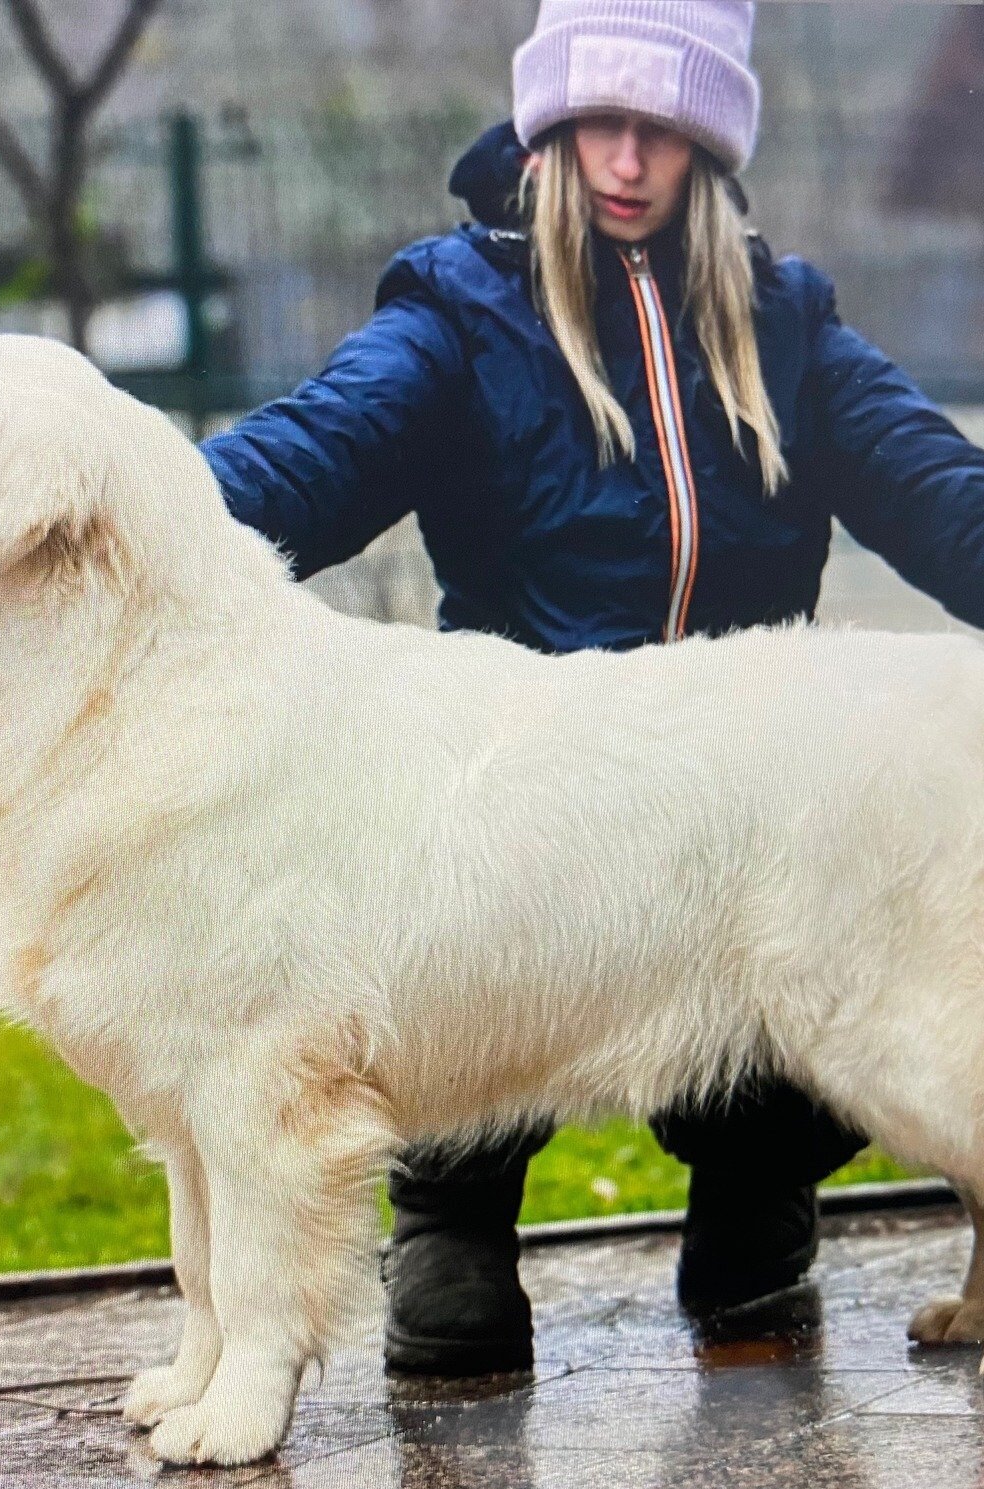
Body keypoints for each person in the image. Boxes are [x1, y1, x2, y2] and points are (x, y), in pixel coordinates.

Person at [197, 0, 984, 1377]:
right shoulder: (457, 306)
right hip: (522, 807)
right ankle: (453, 1217)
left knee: (840, 913)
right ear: (549, 125)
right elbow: (306, 457)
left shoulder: (782, 322)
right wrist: (132, 514)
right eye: (600, 123)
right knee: (447, 938)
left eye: (665, 132)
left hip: (736, 802)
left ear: (709, 148)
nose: (627, 160)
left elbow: (941, 494)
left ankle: (759, 1187)